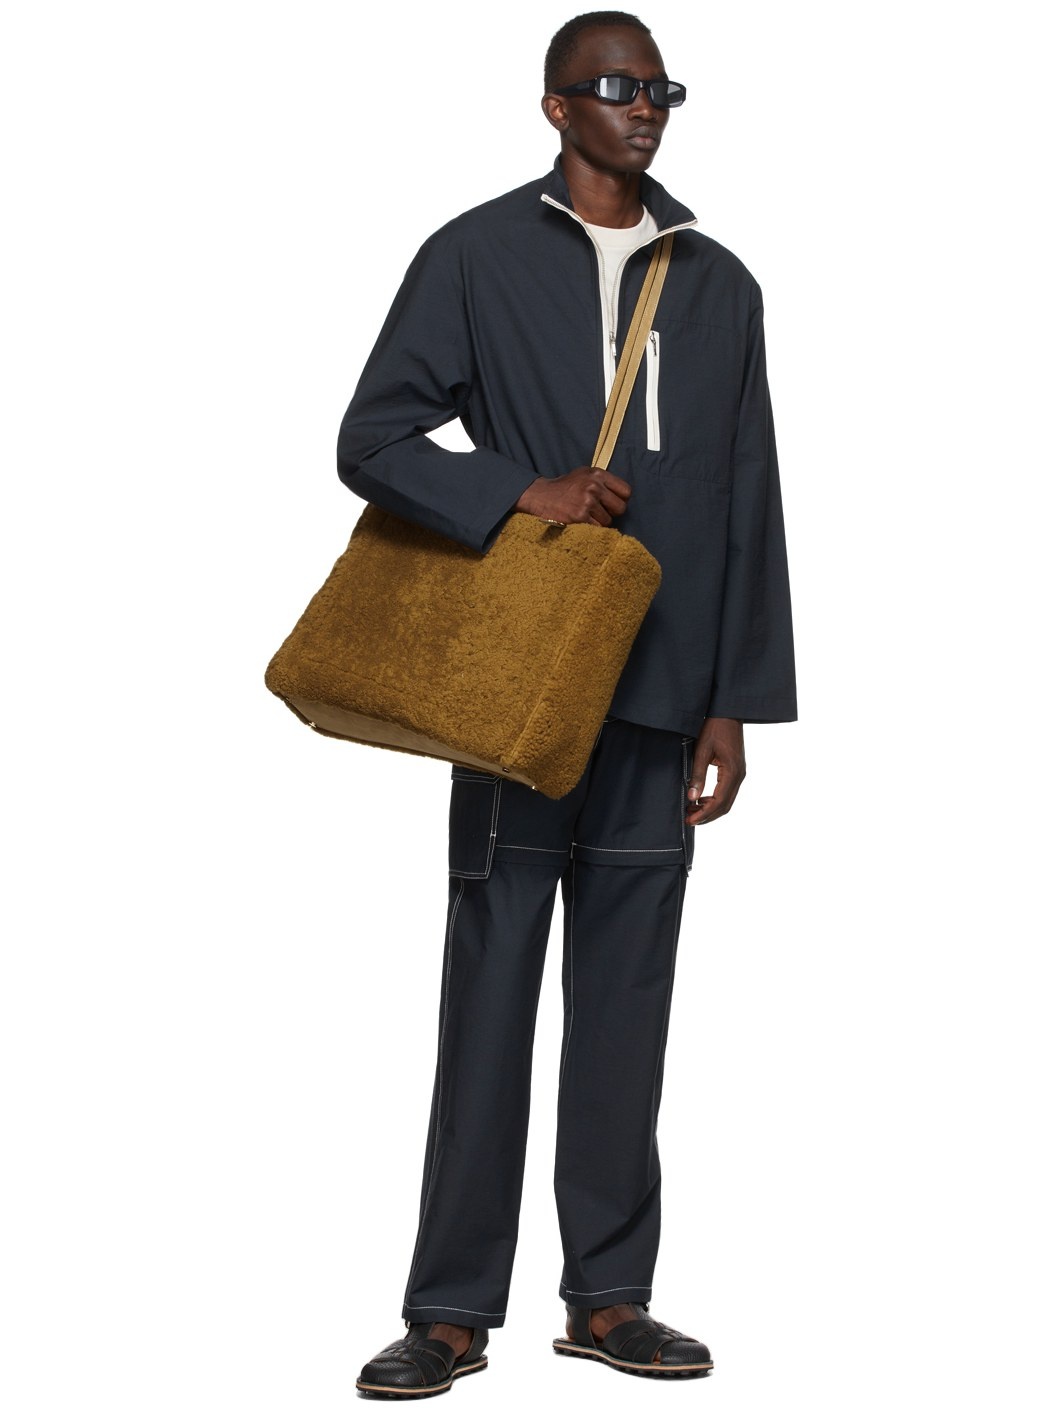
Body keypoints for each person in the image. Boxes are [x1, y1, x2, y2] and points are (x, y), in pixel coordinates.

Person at [336, 9, 797, 1396]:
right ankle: (449, 1309)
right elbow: (372, 437)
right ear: (555, 106)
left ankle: (608, 1299)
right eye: (615, 85)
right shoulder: (474, 254)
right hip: (525, 687)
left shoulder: (719, 284)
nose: (643, 106)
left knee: (627, 1010)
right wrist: (517, 490)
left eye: (661, 87)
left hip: (665, 691)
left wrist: (735, 700)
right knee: (490, 996)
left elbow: (749, 494)